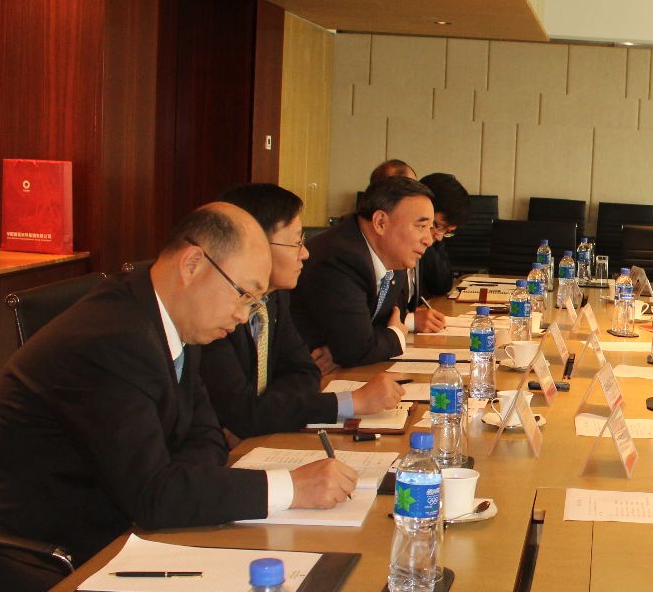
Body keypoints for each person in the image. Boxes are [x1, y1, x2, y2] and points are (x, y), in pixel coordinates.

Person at [0, 204, 358, 592]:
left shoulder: (171, 318)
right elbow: (154, 495)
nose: (242, 315)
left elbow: (205, 436)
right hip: (27, 572)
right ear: (193, 264)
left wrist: (178, 485)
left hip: (108, 537)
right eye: (244, 294)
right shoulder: (110, 338)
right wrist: (292, 487)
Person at [201, 184, 402, 441]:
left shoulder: (274, 297)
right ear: (254, 245)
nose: (305, 253)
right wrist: (351, 402)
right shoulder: (215, 312)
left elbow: (306, 372)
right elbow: (241, 414)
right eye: (296, 243)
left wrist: (265, 410)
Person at [291, 175, 437, 368]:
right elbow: (356, 350)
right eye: (421, 226)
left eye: (430, 228)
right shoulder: (340, 257)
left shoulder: (393, 258)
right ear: (380, 222)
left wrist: (354, 345)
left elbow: (391, 318)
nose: (429, 240)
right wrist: (396, 335)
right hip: (306, 374)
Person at [415, 172, 472, 298]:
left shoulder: (436, 236)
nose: (439, 237)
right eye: (438, 225)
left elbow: (442, 285)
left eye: (446, 231)